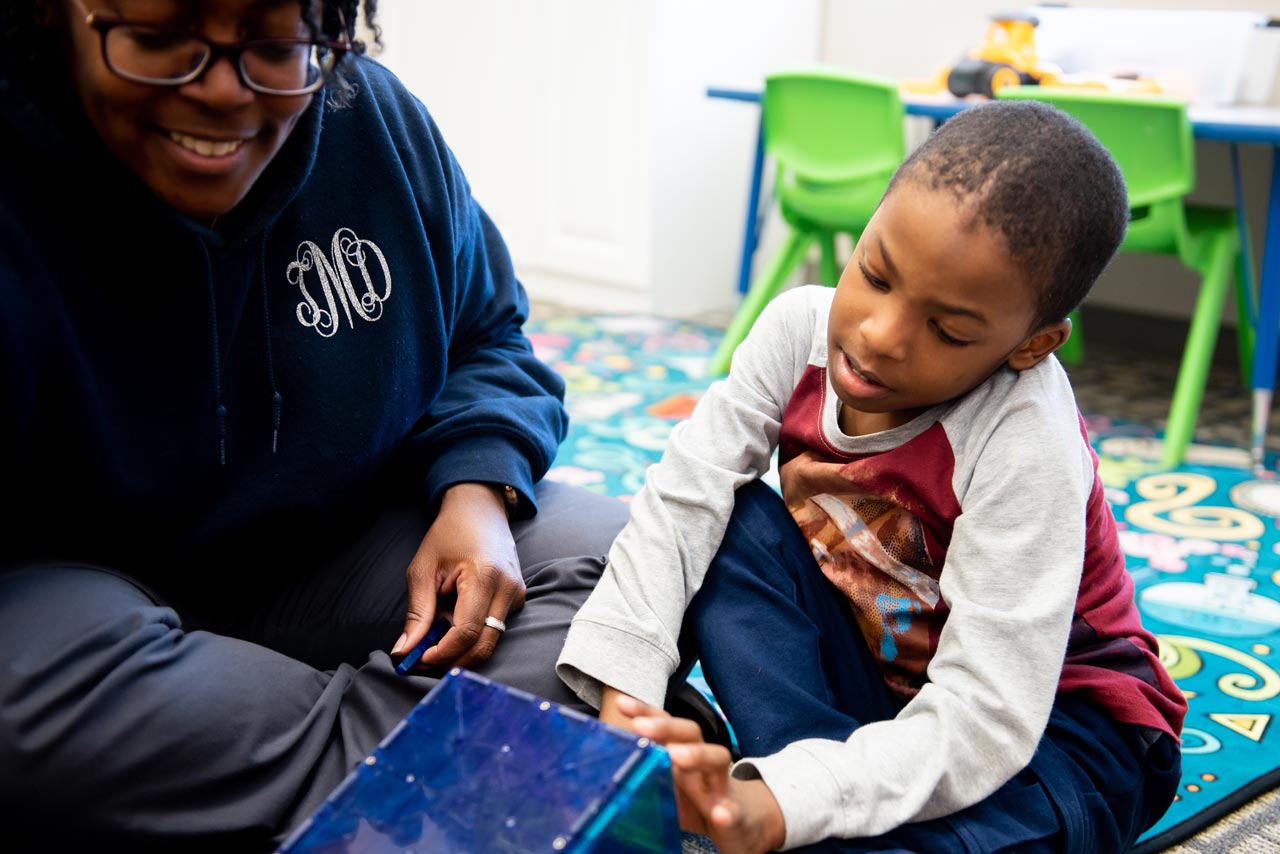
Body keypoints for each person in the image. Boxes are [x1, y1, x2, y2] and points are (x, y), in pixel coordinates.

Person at [0, 1, 630, 850]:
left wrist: (476, 491)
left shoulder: (372, 119)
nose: (223, 92)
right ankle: (500, 780)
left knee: (621, 553)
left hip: (332, 558)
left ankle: (345, 794)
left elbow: (490, 333)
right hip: (86, 619)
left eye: (272, 45)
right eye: (158, 42)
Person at [558, 100, 1187, 853]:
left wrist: (783, 807)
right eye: (876, 273)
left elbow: (987, 715)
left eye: (949, 330)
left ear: (1032, 345)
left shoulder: (1026, 440)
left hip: (1057, 733)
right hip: (883, 692)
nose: (879, 337)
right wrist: (625, 692)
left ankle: (804, 808)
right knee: (729, 520)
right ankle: (806, 789)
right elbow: (681, 501)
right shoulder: (798, 332)